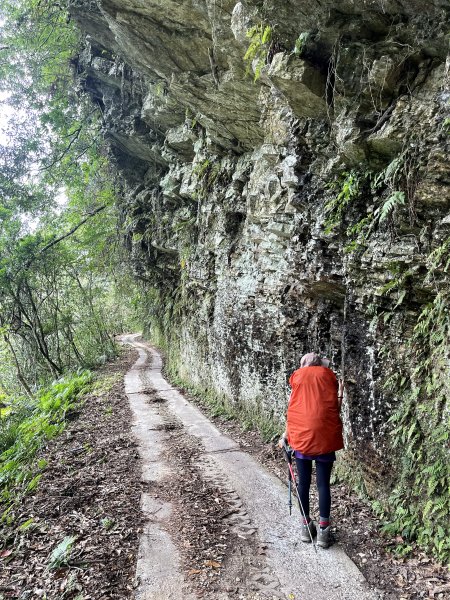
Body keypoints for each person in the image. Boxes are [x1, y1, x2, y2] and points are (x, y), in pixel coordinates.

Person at [279, 352, 344, 548]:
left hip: (301, 437)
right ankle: (324, 531)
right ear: (319, 365)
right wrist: (340, 391)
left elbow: (294, 411)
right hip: (324, 437)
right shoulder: (329, 377)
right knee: (323, 484)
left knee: (304, 484)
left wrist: (285, 436)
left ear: (303, 365)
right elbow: (335, 408)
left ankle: (306, 527)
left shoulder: (297, 378)